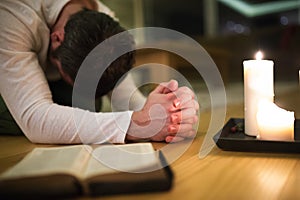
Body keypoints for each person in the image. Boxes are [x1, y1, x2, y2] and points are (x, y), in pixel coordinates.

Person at [0, 0, 199, 144]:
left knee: (91, 105)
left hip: (56, 83)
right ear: (56, 38)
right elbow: (35, 118)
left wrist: (169, 113)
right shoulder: (13, 16)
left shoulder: (104, 21)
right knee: (23, 122)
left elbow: (127, 101)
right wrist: (135, 126)